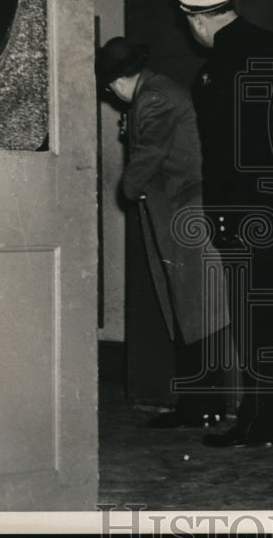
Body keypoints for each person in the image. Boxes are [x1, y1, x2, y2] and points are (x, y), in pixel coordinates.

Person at [174, 0, 273, 449]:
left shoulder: (216, 68)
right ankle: (270, 418)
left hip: (240, 208)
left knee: (253, 316)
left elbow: (223, 152)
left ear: (195, 19)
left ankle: (261, 421)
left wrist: (218, 213)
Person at [97, 36, 228, 427]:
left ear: (118, 82)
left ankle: (201, 405)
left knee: (194, 309)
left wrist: (127, 187)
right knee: (190, 308)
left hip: (181, 211)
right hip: (178, 209)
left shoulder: (153, 98)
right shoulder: (159, 92)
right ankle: (200, 403)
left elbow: (149, 155)